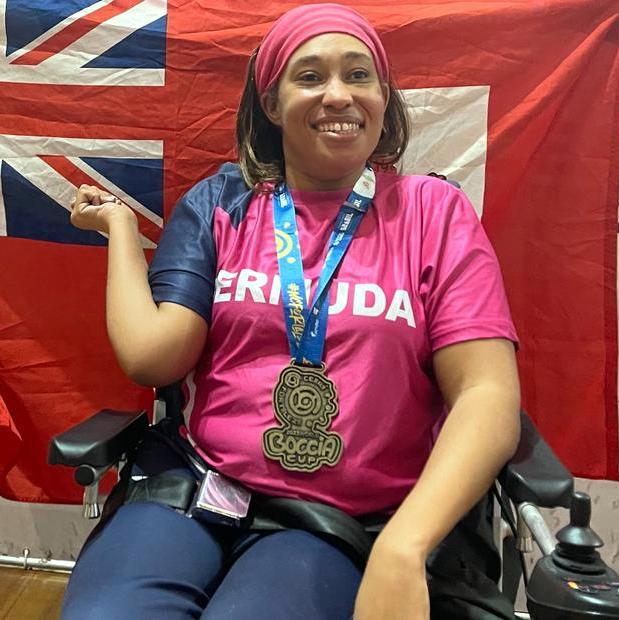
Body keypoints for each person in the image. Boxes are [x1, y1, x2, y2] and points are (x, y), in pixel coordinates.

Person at [62, 3, 520, 619]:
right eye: (310, 77)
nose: (339, 95)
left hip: (338, 520)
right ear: (272, 104)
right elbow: (154, 357)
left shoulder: (433, 213)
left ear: (384, 97)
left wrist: (405, 546)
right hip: (197, 488)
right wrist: (121, 229)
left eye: (358, 75)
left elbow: (487, 394)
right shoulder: (223, 202)